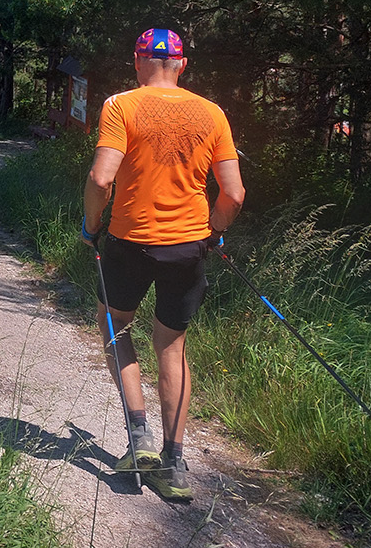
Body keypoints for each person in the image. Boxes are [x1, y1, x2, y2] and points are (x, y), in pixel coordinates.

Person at [81, 27, 245, 500]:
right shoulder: (212, 112)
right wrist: (214, 230)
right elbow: (234, 193)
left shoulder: (120, 105)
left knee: (115, 326)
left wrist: (91, 225)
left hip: (129, 242)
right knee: (172, 347)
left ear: (137, 62)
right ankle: (174, 465)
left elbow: (101, 179)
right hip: (188, 246)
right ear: (182, 65)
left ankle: (139, 439)